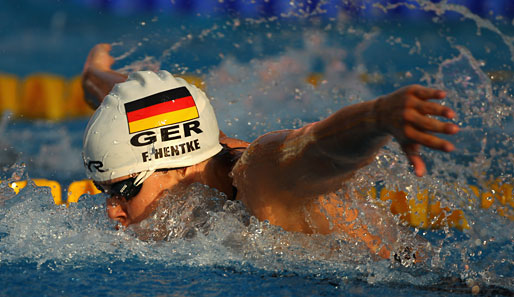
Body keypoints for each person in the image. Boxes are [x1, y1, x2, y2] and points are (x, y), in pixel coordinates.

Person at [82, 44, 459, 260]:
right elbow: (129, 101)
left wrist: (378, 116)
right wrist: (93, 77)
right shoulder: (200, 152)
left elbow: (321, 145)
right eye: (105, 190)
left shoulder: (259, 176)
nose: (112, 209)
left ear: (177, 166)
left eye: (125, 189)